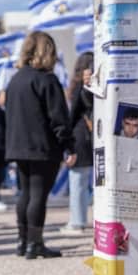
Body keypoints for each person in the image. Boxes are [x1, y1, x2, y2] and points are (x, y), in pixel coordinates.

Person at [5, 31, 76, 259]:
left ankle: (22, 241)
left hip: (18, 145)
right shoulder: (47, 79)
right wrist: (69, 145)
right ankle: (35, 245)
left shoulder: (15, 79)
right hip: (42, 146)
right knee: (38, 195)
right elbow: (59, 117)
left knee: (25, 193)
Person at [61, 52, 95, 235]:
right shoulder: (95, 85)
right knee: (92, 183)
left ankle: (77, 222)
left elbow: (72, 114)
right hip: (94, 134)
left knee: (78, 182)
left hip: (80, 136)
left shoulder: (77, 87)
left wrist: (66, 140)